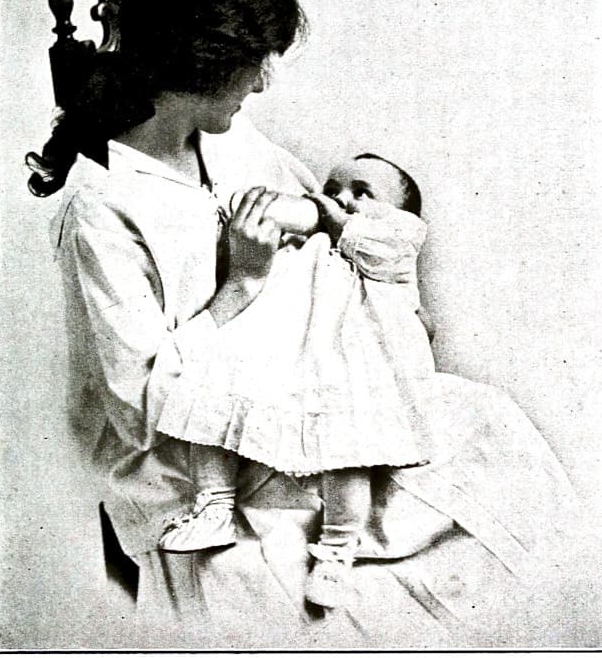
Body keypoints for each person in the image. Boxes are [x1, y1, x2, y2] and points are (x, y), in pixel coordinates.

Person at [27, 0, 578, 645]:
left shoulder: (234, 142)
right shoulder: (102, 210)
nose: (262, 84)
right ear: (203, 59)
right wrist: (241, 285)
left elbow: (330, 234)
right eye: (255, 63)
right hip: (195, 463)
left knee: (494, 434)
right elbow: (139, 413)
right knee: (359, 607)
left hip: (296, 394)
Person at [156, 152, 438, 610]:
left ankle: (336, 553)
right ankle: (214, 505)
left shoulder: (394, 241)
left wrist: (331, 215)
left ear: (400, 215)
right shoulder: (311, 243)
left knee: (348, 455)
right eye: (332, 189)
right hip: (285, 347)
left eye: (361, 192)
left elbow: (377, 251)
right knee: (216, 392)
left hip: (348, 364)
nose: (340, 199)